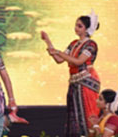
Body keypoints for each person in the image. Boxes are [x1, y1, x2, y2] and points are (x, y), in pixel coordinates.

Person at [41, 9, 101, 137]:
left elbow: (79, 61)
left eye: (80, 26)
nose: (76, 28)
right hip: (74, 83)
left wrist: (58, 52)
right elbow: (59, 60)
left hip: (86, 84)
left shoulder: (91, 45)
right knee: (74, 115)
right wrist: (47, 41)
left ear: (87, 29)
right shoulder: (74, 43)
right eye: (76, 25)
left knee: (87, 114)